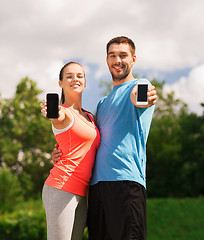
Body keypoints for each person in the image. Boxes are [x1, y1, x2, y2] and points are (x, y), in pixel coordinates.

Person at [52, 36, 157, 240]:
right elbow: (90, 142)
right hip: (97, 189)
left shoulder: (140, 85)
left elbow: (142, 98)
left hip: (126, 183)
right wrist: (61, 153)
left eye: (123, 55)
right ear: (107, 60)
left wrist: (146, 98)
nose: (117, 60)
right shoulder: (102, 103)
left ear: (133, 59)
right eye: (112, 55)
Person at [40, 62, 100, 240]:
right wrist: (53, 114)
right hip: (62, 187)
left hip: (83, 193)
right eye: (69, 76)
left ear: (85, 81)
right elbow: (58, 117)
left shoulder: (91, 117)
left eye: (80, 76)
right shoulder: (64, 113)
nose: (75, 79)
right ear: (60, 83)